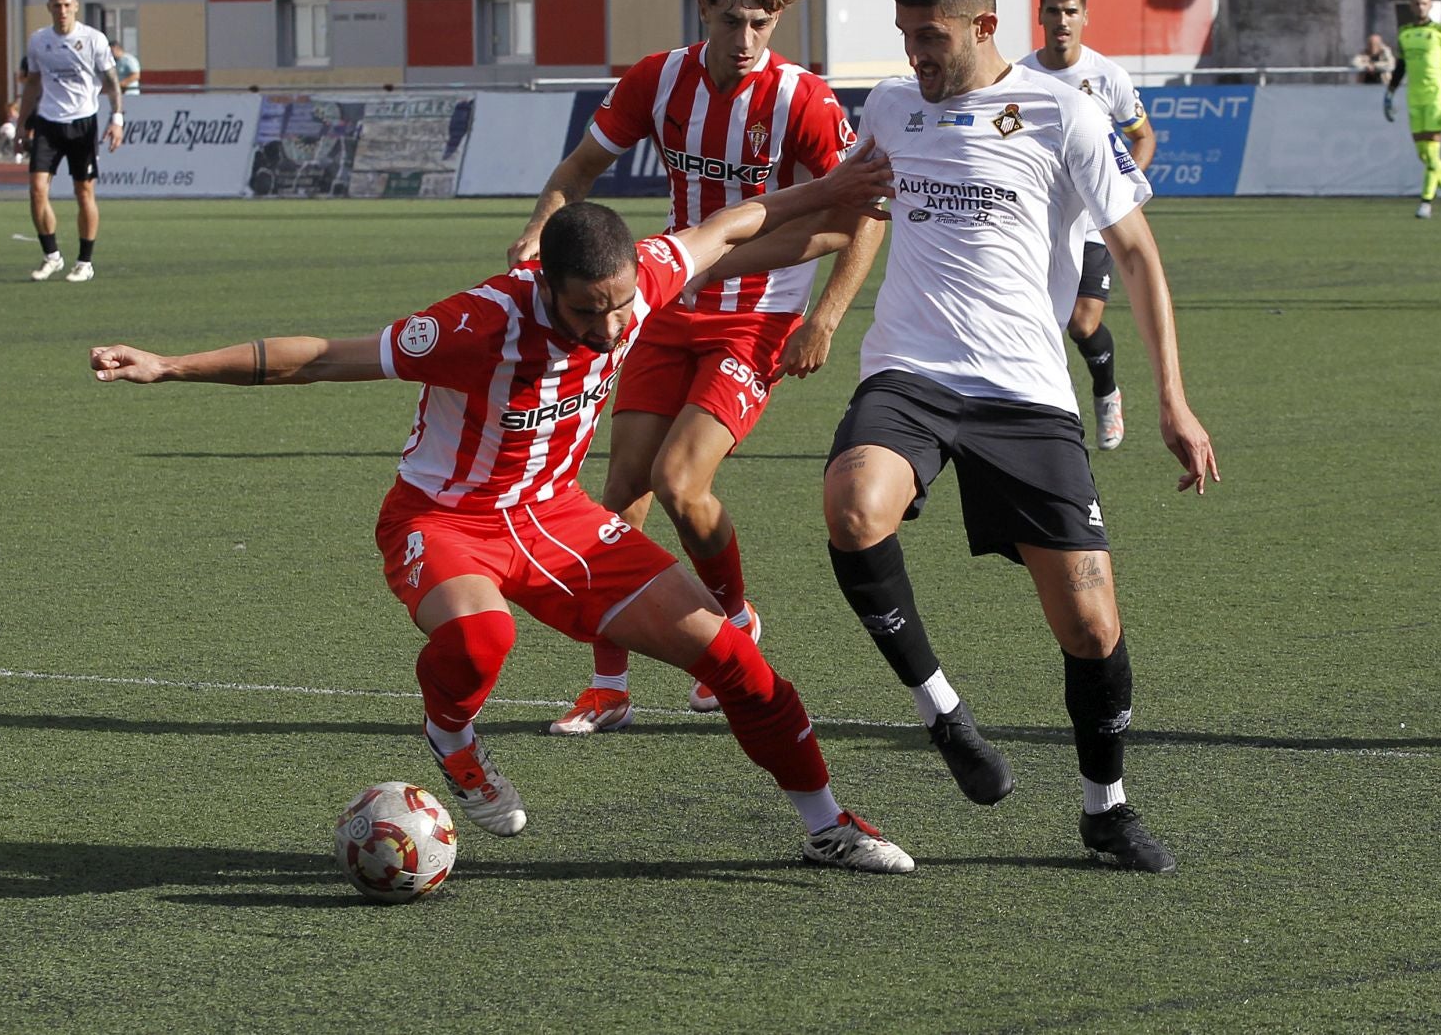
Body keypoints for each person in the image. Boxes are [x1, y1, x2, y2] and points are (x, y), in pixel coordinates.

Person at [89, 160, 919, 872]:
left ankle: (826, 827)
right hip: (443, 519)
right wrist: (169, 366)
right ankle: (450, 734)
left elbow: (737, 222)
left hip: (560, 518)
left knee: (737, 660)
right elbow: (322, 358)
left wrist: (841, 189)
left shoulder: (645, 275)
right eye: (587, 309)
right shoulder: (477, 321)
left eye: (620, 304)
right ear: (545, 285)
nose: (608, 326)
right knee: (484, 640)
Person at [823, 0, 1219, 873]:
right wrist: (801, 299)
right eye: (906, 35)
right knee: (851, 505)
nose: (916, 53)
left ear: (984, 28)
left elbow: (1138, 253)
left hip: (1025, 390)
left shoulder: (1066, 114)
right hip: (911, 371)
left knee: (1090, 626)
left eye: (931, 36)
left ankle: (1105, 808)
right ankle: (945, 715)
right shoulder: (888, 106)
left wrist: (1172, 398)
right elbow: (850, 210)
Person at [507, 0, 883, 735]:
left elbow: (860, 217)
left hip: (759, 312)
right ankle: (609, 684)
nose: (745, 40)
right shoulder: (658, 79)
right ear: (703, 11)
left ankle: (735, 621)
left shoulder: (804, 101)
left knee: (682, 482)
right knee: (623, 492)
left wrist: (825, 316)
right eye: (731, 21)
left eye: (761, 24)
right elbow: (578, 173)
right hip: (669, 296)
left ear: (777, 21)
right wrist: (539, 230)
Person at [1017, 0, 1157, 450]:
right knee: (1038, 320)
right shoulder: (1019, 77)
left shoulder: (1108, 76)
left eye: (1071, 10)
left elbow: (1142, 136)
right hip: (1038, 223)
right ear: (1040, 15)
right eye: (1053, 10)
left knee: (1082, 323)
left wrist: (1117, 192)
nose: (1062, 19)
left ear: (1085, 16)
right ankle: (1043, 418)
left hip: (1093, 223)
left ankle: (1106, 391)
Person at [19, 0, 123, 283]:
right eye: (56, 5)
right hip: (48, 123)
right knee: (37, 189)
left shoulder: (93, 40)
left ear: (76, 6)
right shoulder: (39, 40)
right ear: (49, 8)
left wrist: (117, 119)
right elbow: (33, 83)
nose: (62, 11)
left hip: (83, 123)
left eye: (67, 5)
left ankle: (84, 262)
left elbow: (112, 81)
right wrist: (22, 122)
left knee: (83, 191)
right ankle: (51, 256)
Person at [1384, 0, 1441, 220]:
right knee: (1424, 153)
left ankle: (1427, 201)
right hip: (1415, 97)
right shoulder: (1405, 33)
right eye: (1416, 4)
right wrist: (1390, 93)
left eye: (1424, 3)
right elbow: (1400, 67)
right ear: (1412, 7)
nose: (1420, 7)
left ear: (1430, 6)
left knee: (1431, 151)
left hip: (1437, 97)